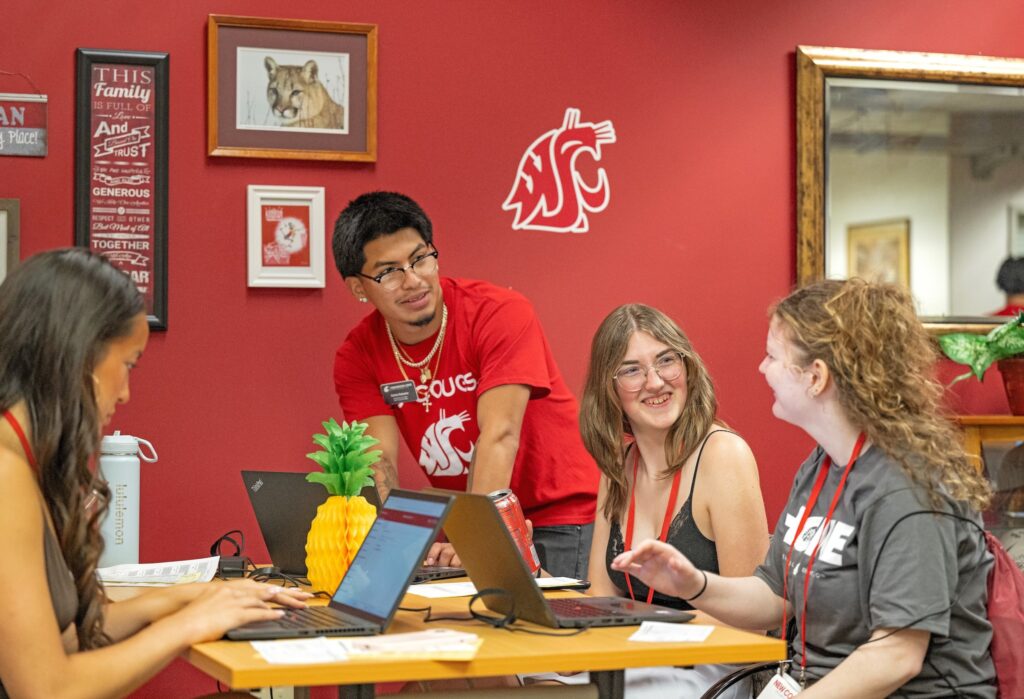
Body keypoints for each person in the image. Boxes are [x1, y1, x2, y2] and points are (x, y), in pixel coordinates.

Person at [613, 278, 996, 698]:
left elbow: (896, 656)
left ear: (816, 377)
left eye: (773, 356)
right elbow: (774, 595)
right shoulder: (822, 465)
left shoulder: (909, 489)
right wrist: (693, 585)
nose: (763, 368)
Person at [0, 249, 310, 698]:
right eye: (128, 364)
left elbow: (61, 641)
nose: (125, 393)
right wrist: (189, 624)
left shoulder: (24, 459)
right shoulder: (6, 476)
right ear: (78, 355)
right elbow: (46, 689)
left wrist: (180, 599)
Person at [332, 191, 599, 578]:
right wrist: (394, 550)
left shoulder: (498, 313)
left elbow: (500, 434)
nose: (413, 281)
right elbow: (378, 463)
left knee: (545, 635)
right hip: (470, 520)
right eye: (388, 271)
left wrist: (474, 538)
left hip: (557, 515)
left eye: (421, 258)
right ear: (358, 287)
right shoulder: (358, 354)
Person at [547, 304, 767, 696]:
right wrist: (540, 584)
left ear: (688, 367)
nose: (655, 382)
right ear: (608, 389)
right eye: (632, 370)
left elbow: (751, 625)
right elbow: (602, 597)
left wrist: (643, 631)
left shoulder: (723, 455)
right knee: (512, 684)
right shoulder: (619, 467)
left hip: (710, 670)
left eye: (667, 361)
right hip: (635, 662)